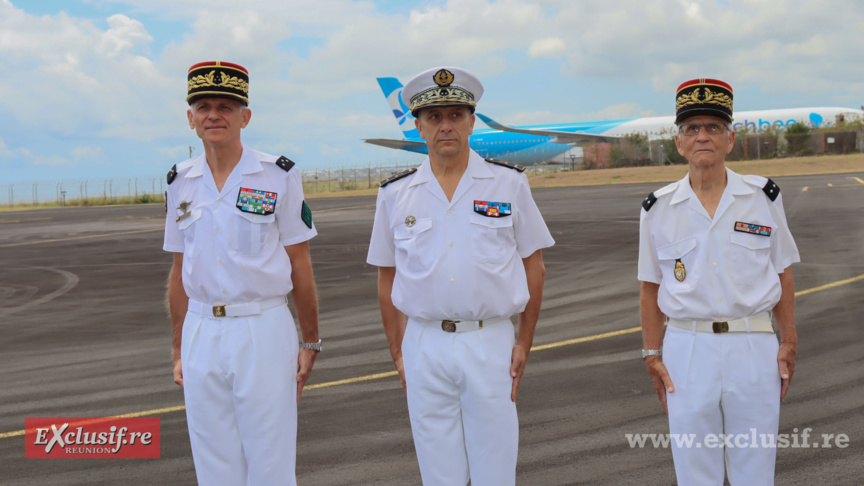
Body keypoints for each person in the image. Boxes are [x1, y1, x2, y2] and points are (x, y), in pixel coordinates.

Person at [366, 66, 555, 486]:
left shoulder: (508, 184)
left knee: (495, 471)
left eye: (455, 115)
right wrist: (399, 352)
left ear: (472, 122)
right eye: (434, 117)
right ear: (418, 127)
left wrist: (524, 341)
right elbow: (386, 277)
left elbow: (534, 267)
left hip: (489, 341)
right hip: (424, 343)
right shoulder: (395, 195)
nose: (445, 126)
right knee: (439, 473)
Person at [163, 61, 321, 485]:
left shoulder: (277, 174)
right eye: (204, 107)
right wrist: (179, 349)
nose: (213, 115)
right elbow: (179, 269)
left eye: (226, 107)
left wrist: (310, 340)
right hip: (200, 331)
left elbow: (300, 262)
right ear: (191, 118)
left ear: (244, 117)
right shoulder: (180, 181)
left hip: (261, 327)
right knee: (213, 461)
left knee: (269, 460)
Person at [638, 78, 800, 484]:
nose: (702, 136)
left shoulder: (763, 197)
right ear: (679, 143)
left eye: (713, 127)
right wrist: (652, 355)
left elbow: (782, 271)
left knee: (755, 471)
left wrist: (789, 341)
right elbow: (650, 286)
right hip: (687, 350)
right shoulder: (657, 209)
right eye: (692, 128)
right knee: (695, 473)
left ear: (731, 139)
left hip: (753, 345)